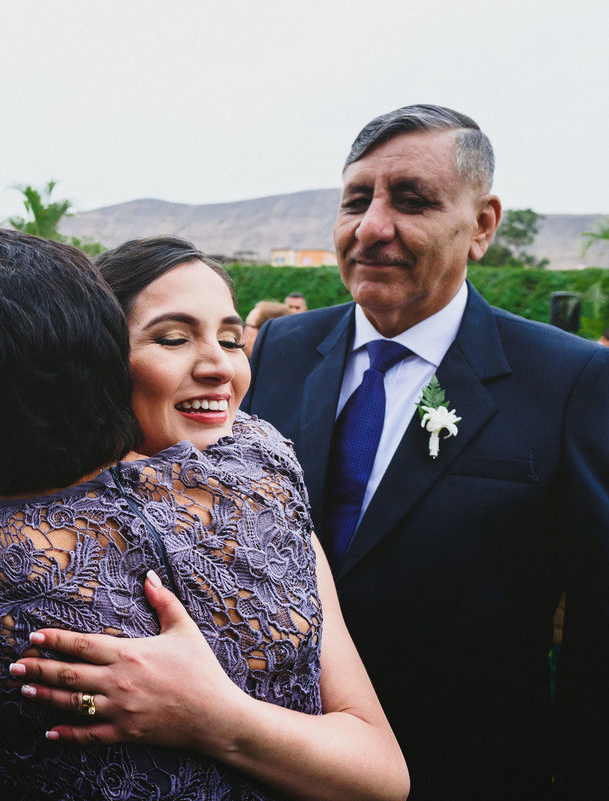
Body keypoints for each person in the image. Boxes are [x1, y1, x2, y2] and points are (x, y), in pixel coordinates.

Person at [0, 225, 408, 800]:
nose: (219, 366)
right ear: (97, 357)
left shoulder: (263, 477)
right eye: (172, 339)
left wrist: (216, 717)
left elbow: (381, 775)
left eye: (232, 339)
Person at [238, 106, 608, 798]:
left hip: (467, 769)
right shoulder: (282, 352)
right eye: (356, 201)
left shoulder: (567, 379)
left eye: (412, 201)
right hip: (277, 762)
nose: (372, 228)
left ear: (484, 226)